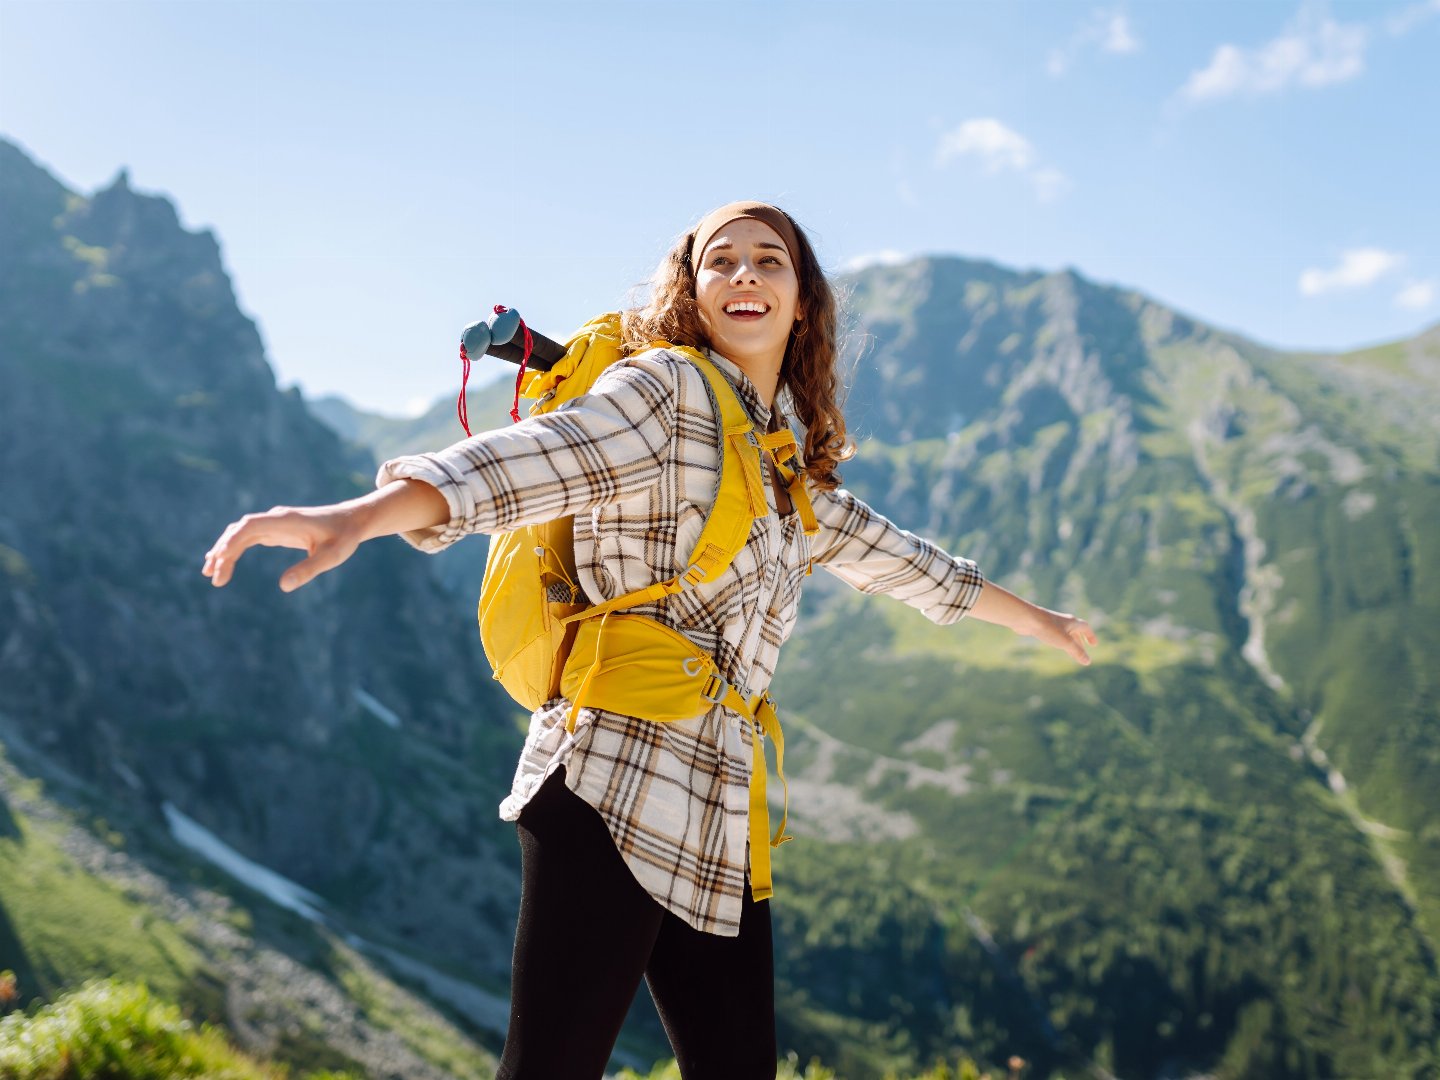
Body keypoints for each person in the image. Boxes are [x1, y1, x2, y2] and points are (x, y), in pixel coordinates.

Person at [202, 201, 1097, 1079]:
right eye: (722, 259)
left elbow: (911, 564)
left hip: (719, 798)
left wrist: (1041, 622)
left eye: (770, 260)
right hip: (612, 772)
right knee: (552, 1066)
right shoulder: (663, 390)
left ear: (802, 302)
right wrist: (359, 517)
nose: (745, 272)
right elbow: (529, 461)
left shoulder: (790, 467)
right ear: (694, 291)